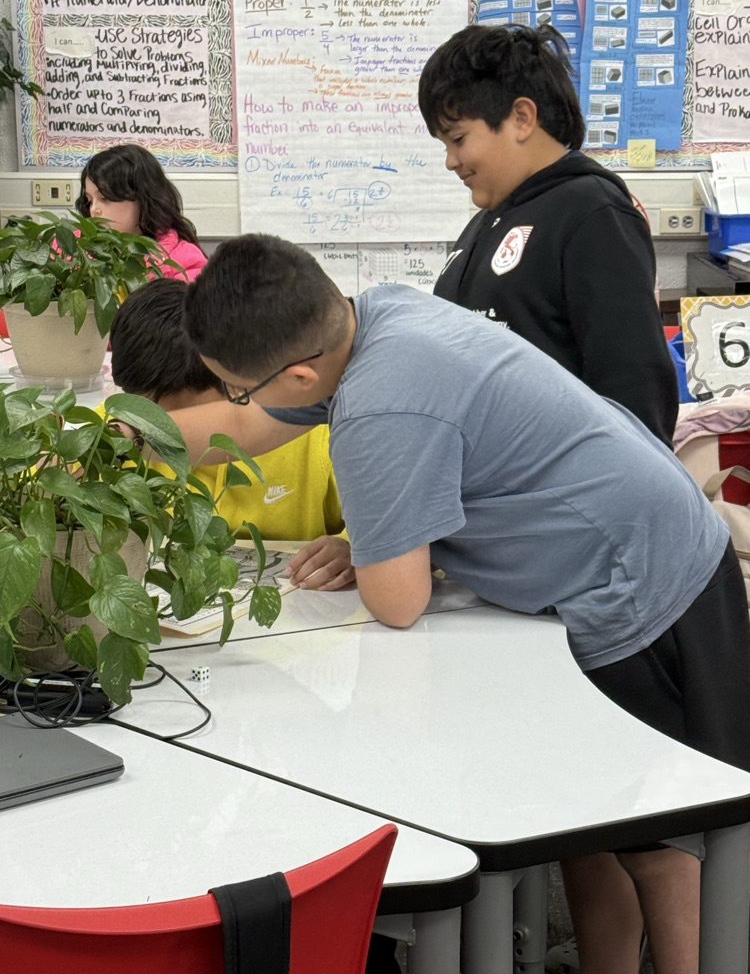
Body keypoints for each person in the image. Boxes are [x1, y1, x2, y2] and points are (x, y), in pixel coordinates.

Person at [143, 234, 750, 974]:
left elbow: (397, 600)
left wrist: (375, 541)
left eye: (237, 385)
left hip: (642, 582)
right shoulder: (374, 319)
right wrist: (115, 438)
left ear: (299, 373)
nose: (236, 401)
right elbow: (240, 429)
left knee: (657, 831)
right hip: (627, 543)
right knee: (592, 827)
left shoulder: (378, 407)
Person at [418, 24, 678, 447]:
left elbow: (636, 391)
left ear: (522, 117)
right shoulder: (489, 219)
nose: (451, 161)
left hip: (559, 497)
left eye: (459, 139)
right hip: (492, 488)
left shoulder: (592, 212)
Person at [109, 278, 353, 590]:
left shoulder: (311, 428)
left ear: (230, 384)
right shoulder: (125, 431)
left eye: (181, 420)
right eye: (148, 416)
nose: (165, 433)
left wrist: (351, 546)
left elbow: (392, 513)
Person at [75, 144, 207, 281]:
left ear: (143, 199)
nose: (93, 209)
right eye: (89, 200)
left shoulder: (185, 262)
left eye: (105, 198)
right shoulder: (70, 247)